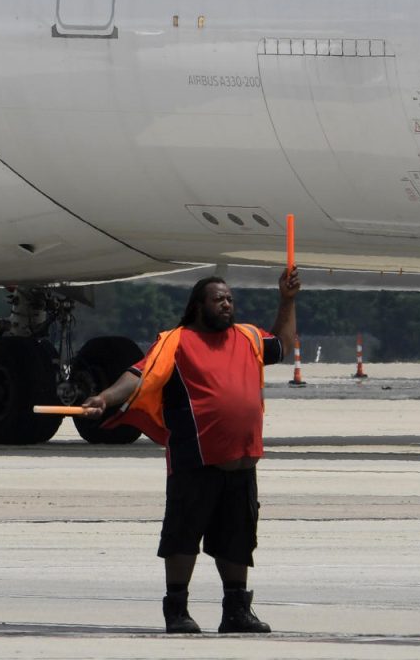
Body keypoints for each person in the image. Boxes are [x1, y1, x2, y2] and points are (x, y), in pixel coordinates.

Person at [81, 268, 299, 634]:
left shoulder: (248, 336)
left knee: (238, 538)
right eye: (219, 299)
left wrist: (287, 299)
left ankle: (236, 611)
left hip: (242, 462)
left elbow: (284, 344)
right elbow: (139, 375)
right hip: (195, 461)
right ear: (199, 306)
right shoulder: (176, 342)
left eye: (229, 299)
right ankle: (177, 610)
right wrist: (103, 398)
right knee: (183, 536)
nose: (227, 304)